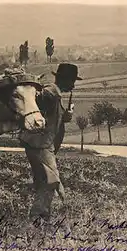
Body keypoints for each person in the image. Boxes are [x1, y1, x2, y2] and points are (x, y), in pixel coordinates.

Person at [19, 63, 82, 221]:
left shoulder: (56, 94)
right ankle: (37, 215)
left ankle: (43, 215)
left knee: (42, 180)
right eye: (72, 81)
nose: (73, 85)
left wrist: (65, 116)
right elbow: (39, 98)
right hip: (41, 144)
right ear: (65, 80)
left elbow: (49, 116)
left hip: (38, 143)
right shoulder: (52, 91)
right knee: (52, 180)